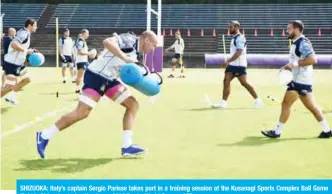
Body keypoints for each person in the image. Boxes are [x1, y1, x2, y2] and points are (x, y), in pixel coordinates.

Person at [36, 31, 158, 159]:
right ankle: (44, 136)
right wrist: (125, 58)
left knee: (133, 104)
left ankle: (127, 146)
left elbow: (127, 75)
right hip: (96, 75)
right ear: (146, 40)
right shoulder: (130, 40)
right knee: (82, 112)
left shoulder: (138, 53)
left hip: (110, 80)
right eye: (154, 46)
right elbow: (107, 42)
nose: (153, 49)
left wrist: (147, 88)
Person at [261, 20, 331, 139]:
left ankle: (277, 132)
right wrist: (290, 66)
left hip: (300, 81)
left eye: (289, 29)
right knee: (311, 107)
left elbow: (313, 60)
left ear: (296, 30)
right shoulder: (296, 43)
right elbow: (300, 60)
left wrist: (294, 64)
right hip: (302, 80)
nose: (286, 31)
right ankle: (327, 130)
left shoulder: (303, 43)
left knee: (286, 104)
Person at [213, 21, 262, 109]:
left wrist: (228, 61)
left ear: (236, 27)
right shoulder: (234, 38)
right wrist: (229, 62)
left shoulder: (240, 38)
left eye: (231, 27)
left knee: (244, 83)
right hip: (233, 65)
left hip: (239, 65)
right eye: (229, 27)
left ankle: (257, 100)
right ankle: (223, 103)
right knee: (226, 81)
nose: (229, 29)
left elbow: (239, 52)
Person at [1, 18, 37, 104]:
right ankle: (10, 95)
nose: (36, 27)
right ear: (30, 25)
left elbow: (20, 46)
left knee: (27, 79)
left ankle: (11, 97)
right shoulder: (24, 33)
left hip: (18, 64)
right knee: (8, 87)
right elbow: (14, 44)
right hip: (11, 63)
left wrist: (29, 50)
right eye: (35, 25)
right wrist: (26, 51)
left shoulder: (26, 33)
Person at [73, 29, 93, 93]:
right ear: (84, 34)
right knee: (81, 76)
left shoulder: (81, 41)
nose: (88, 35)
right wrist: (89, 53)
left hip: (83, 61)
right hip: (81, 61)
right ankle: (80, 89)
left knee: (82, 76)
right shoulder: (81, 41)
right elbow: (80, 52)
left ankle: (78, 89)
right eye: (87, 34)